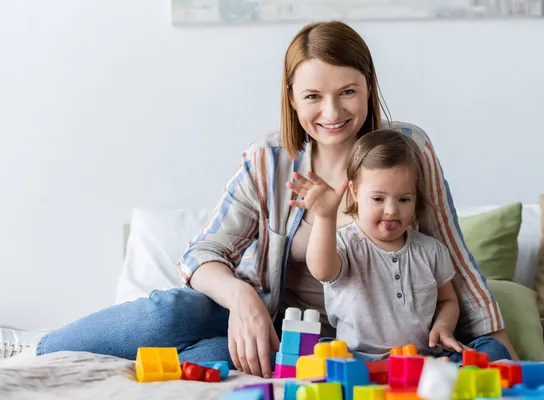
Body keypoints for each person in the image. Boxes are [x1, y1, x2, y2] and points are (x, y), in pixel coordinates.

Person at [36, 20, 517, 378]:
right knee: (179, 311)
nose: (332, 112)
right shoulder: (268, 160)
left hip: (364, 344)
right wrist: (243, 298)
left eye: (347, 91)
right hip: (279, 326)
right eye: (313, 96)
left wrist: (496, 340)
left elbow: (452, 254)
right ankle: (37, 351)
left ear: (369, 86)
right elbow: (201, 255)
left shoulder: (408, 148)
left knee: (487, 361)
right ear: (291, 97)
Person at [289, 129, 475, 362]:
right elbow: (322, 270)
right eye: (378, 199)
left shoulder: (431, 250)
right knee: (321, 360)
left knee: (487, 352)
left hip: (420, 359)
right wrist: (326, 216)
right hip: (356, 357)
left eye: (404, 199)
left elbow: (447, 300)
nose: (391, 210)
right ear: (355, 192)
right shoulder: (346, 244)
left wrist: (443, 327)